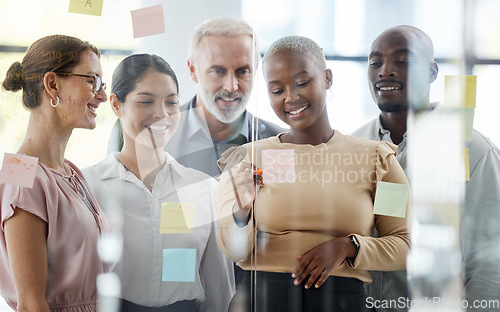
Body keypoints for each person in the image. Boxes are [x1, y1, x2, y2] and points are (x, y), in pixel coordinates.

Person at [216, 35, 411, 312]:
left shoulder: (378, 160)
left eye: (302, 82)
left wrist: (348, 247)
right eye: (276, 90)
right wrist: (241, 212)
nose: (291, 97)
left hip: (343, 301)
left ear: (327, 79)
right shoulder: (246, 159)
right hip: (261, 301)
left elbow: (404, 244)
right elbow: (232, 251)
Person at [352, 25, 500, 312]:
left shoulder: (471, 148)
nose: (385, 71)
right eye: (375, 62)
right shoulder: (353, 146)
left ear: (432, 73)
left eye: (402, 61)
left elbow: (489, 260)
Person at [83, 54, 235, 312]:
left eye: (171, 102)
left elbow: (219, 288)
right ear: (116, 105)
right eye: (146, 101)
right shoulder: (88, 186)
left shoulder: (202, 188)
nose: (161, 114)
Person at [0, 35, 109, 312]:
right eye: (92, 81)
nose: (103, 96)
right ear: (52, 84)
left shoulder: (72, 172)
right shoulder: (20, 171)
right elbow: (31, 304)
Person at [108, 18, 284, 178]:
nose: (231, 86)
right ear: (193, 71)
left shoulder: (279, 144)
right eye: (217, 71)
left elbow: (285, 211)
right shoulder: (147, 133)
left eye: (243, 71)